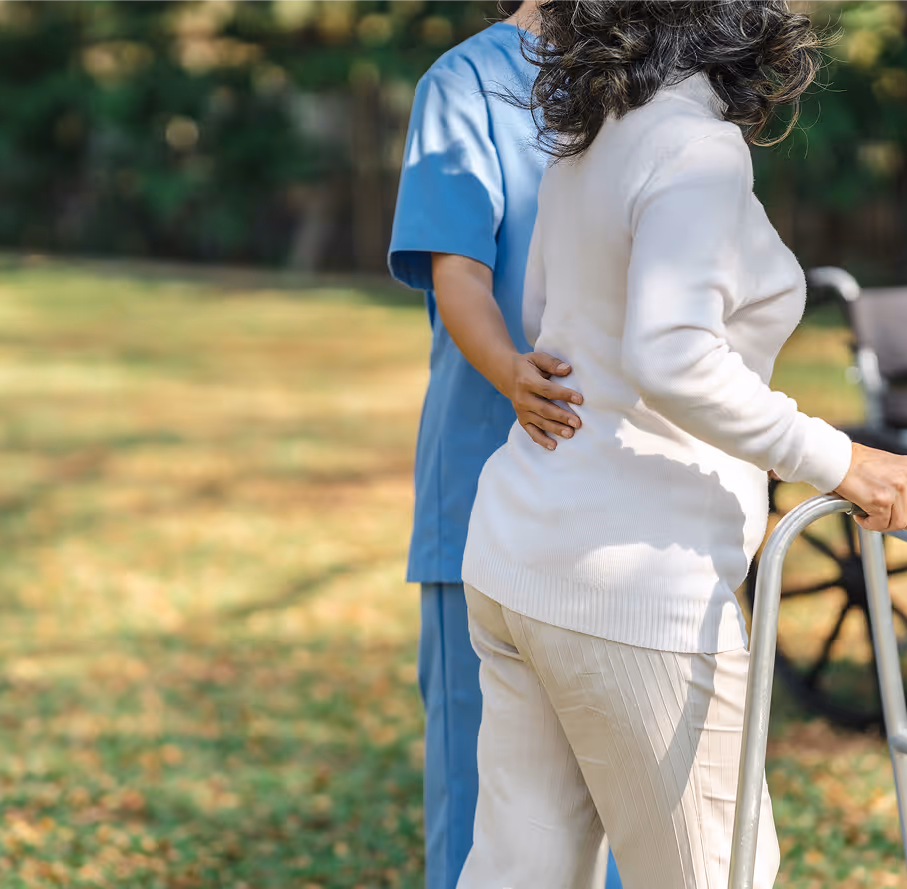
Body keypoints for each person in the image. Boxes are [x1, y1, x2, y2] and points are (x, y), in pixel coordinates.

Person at [457, 1, 907, 886]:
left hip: (518, 553)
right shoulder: (692, 146)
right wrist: (841, 460)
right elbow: (671, 354)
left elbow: (544, 315)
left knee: (516, 872)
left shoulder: (592, 133)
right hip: (634, 585)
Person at [387, 2, 623, 887]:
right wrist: (511, 373)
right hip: (482, 494)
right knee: (487, 801)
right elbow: (460, 273)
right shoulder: (460, 83)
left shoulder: (645, 77)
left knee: (623, 797)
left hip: (618, 503)